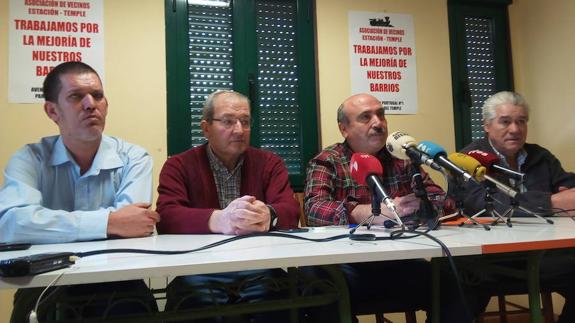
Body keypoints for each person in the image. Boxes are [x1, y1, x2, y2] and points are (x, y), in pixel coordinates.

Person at [0, 61, 159, 321]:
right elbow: (10, 224)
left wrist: (45, 223)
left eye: (97, 95)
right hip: (45, 282)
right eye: (76, 97)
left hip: (117, 283)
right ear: (52, 111)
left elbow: (135, 226)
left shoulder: (134, 157)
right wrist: (109, 221)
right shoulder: (29, 159)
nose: (90, 104)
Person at [304, 93, 463, 322]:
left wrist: (423, 204)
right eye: (365, 117)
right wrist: (364, 213)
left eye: (381, 115)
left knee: (452, 281)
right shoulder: (328, 160)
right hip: (347, 267)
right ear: (344, 129)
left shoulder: (403, 158)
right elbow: (313, 209)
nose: (378, 123)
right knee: (318, 284)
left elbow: (440, 198)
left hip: (399, 262)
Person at [156, 90, 300, 322]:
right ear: (205, 128)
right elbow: (166, 216)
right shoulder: (178, 166)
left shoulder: (269, 163)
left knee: (282, 299)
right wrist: (220, 220)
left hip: (259, 266)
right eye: (228, 121)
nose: (239, 130)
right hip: (200, 268)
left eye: (245, 122)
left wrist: (268, 215)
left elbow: (291, 210)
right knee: (194, 303)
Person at [460, 90, 575, 323]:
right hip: (491, 260)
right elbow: (484, 204)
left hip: (545, 253)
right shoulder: (469, 159)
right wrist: (550, 202)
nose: (515, 129)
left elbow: (567, 190)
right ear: (487, 125)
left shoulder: (540, 156)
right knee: (456, 294)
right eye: (505, 121)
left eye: (521, 121)